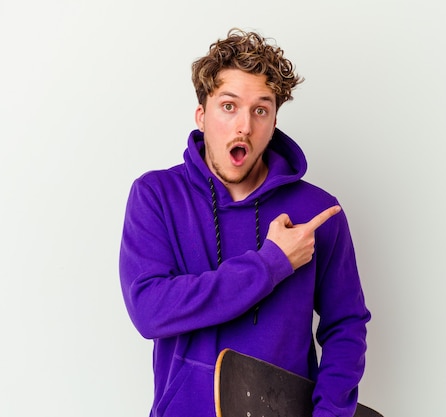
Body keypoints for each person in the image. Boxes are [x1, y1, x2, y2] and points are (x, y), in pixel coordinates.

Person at [119, 28, 371, 417]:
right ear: (202, 115)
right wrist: (272, 263)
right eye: (229, 106)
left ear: (273, 123)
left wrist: (331, 414)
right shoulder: (156, 196)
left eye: (261, 110)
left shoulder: (316, 213)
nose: (244, 126)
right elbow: (150, 310)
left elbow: (346, 325)